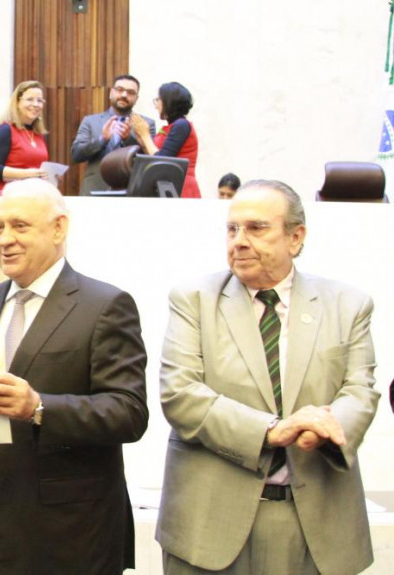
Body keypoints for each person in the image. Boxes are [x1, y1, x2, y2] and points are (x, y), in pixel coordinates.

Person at [0, 179, 148, 574]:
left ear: (59, 228)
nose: (4, 239)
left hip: (79, 534)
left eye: (20, 226)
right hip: (2, 528)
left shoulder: (105, 306)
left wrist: (39, 407)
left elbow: (128, 412)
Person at [158, 180, 379, 574]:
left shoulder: (348, 305)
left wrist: (327, 430)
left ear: (296, 237)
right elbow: (181, 394)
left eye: (256, 228)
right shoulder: (193, 300)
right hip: (210, 527)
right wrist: (270, 431)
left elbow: (359, 390)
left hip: (317, 526)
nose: (239, 241)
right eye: (232, 229)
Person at [71, 74, 156, 195]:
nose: (124, 95)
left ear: (136, 99)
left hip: (132, 192)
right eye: (120, 90)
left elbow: (149, 159)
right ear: (111, 93)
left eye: (130, 92)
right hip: (95, 190)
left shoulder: (146, 124)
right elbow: (76, 155)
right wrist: (102, 140)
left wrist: (128, 140)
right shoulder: (90, 121)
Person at [131, 81, 201, 198]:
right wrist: (144, 144)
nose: (156, 105)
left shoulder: (182, 125)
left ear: (168, 102)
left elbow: (163, 162)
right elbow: (156, 158)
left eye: (158, 100)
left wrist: (146, 136)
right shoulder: (172, 126)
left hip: (182, 187)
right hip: (168, 186)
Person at [0, 80, 50, 196]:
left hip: (27, 198)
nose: (35, 104)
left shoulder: (38, 135)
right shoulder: (6, 130)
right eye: (30, 99)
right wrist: (28, 174)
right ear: (17, 102)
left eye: (39, 100)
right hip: (3, 198)